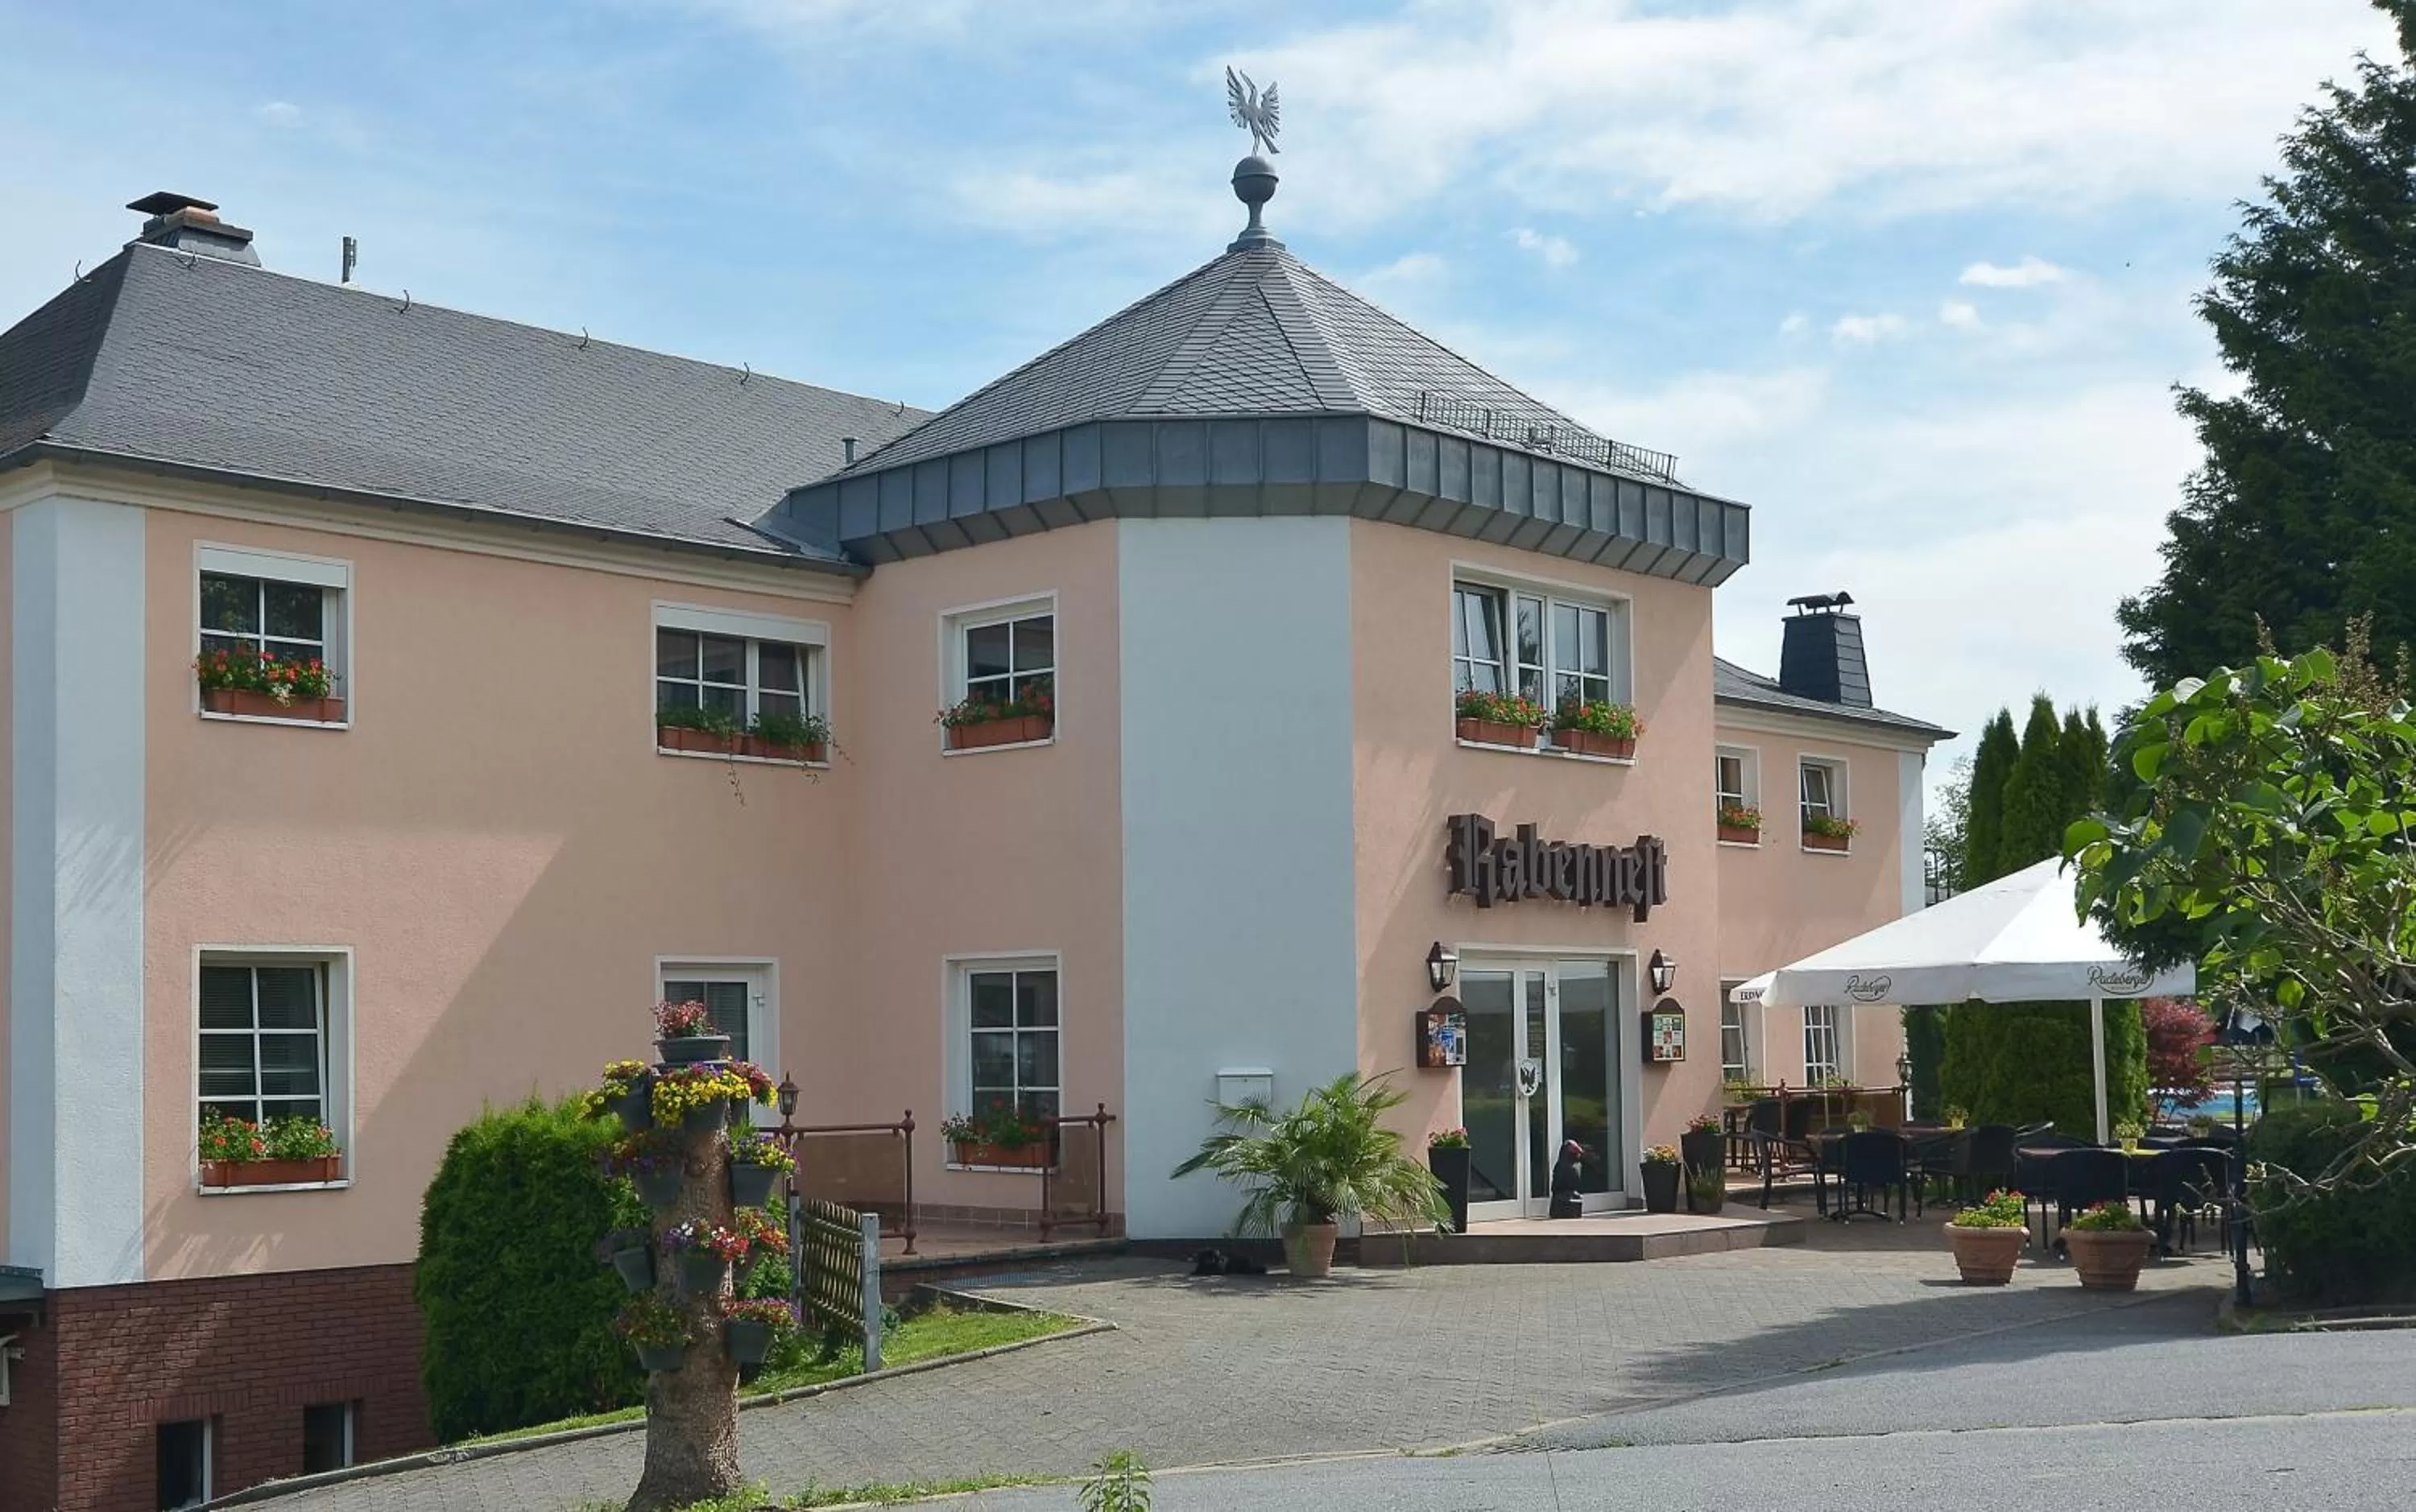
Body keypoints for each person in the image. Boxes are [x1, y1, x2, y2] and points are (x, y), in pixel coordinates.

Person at [1549, 1139, 1586, 1218]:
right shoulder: (1562, 1164)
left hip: (1572, 1193)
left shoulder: (1577, 1164)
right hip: (1561, 1194)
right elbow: (1556, 1186)